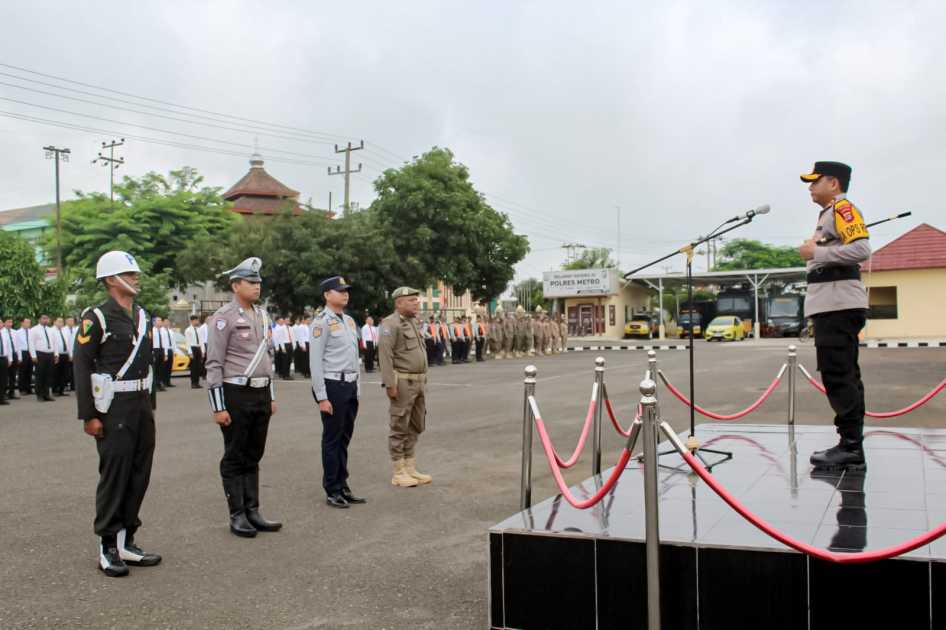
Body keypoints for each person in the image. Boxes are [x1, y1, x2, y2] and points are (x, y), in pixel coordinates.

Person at [73, 250, 161, 577]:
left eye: (136, 272)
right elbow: (82, 365)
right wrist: (89, 415)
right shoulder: (96, 317)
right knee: (115, 475)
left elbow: (147, 363)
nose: (136, 277)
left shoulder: (142, 316)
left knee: (139, 473)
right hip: (112, 408)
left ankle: (127, 540)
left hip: (139, 404)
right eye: (129, 272)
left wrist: (150, 406)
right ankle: (108, 545)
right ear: (111, 279)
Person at [798, 161, 871, 471]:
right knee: (843, 374)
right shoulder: (828, 214)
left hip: (838, 303)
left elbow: (861, 249)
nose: (810, 187)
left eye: (816, 181)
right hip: (832, 303)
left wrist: (817, 253)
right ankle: (850, 444)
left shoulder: (843, 210)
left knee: (839, 374)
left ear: (834, 183)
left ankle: (851, 448)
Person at [205, 257, 281, 538]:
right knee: (235, 455)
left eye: (259, 281)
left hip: (261, 391)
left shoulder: (262, 314)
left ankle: (253, 510)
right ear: (236, 285)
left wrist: (271, 395)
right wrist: (218, 406)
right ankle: (237, 514)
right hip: (236, 392)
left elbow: (268, 357)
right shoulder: (223, 317)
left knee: (254, 453)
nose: (257, 286)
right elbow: (214, 362)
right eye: (251, 282)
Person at [309, 276, 366, 509]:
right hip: (333, 386)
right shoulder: (321, 322)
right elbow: (315, 362)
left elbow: (354, 357)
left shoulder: (350, 321)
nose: (345, 294)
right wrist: (322, 396)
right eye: (339, 290)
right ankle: (332, 488)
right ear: (327, 295)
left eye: (346, 291)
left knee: (344, 438)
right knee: (332, 440)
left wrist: (358, 388)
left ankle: (343, 485)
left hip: (350, 385)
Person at [378, 287, 433, 488]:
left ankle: (410, 467)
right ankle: (398, 471)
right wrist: (390, 384)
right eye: (411, 300)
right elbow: (385, 356)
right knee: (399, 425)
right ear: (399, 303)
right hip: (402, 382)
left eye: (416, 300)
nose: (416, 303)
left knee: (416, 424)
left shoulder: (412, 322)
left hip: (418, 381)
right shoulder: (390, 324)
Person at [29, 314, 57, 402]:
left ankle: (47, 394)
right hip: (40, 354)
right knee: (40, 375)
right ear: (39, 319)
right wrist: (33, 355)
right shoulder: (34, 330)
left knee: (49, 375)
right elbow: (31, 343)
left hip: (50, 354)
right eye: (44, 318)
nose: (45, 320)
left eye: (47, 318)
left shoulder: (51, 330)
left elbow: (54, 342)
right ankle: (39, 394)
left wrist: (56, 354)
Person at [52, 317, 70, 396]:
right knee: (56, 373)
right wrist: (55, 355)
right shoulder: (51, 331)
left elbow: (68, 343)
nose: (60, 323)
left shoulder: (65, 331)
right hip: (57, 354)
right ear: (54, 322)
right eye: (59, 321)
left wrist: (70, 354)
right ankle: (55, 390)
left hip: (65, 354)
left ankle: (61, 390)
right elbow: (53, 344)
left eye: (62, 322)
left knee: (64, 373)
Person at [185, 315, 203, 389]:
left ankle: (197, 382)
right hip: (192, 348)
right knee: (193, 367)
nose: (197, 322)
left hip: (198, 348)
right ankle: (193, 383)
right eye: (196, 320)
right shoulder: (188, 330)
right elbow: (188, 342)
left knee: (198, 366)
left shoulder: (199, 329)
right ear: (192, 321)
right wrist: (190, 353)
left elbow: (201, 340)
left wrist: (202, 350)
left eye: (197, 320)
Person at [15, 318, 32, 395]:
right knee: (22, 371)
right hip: (22, 352)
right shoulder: (17, 332)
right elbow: (17, 344)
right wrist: (19, 356)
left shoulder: (31, 331)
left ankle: (28, 388)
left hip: (30, 352)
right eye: (27, 322)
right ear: (22, 323)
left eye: (29, 323)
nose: (28, 324)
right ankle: (22, 389)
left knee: (29, 370)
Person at [151, 317, 167, 392]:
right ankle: (155, 385)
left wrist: (166, 354)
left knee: (161, 368)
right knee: (155, 368)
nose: (160, 322)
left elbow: (165, 343)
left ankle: (160, 384)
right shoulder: (152, 330)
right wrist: (152, 353)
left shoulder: (163, 331)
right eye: (159, 320)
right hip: (155, 350)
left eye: (161, 320)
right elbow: (151, 343)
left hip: (162, 349)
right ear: (154, 322)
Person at [4, 318, 19, 399]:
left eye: (11, 322)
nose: (10, 324)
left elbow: (18, 345)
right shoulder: (2, 332)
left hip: (14, 354)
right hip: (6, 355)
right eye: (8, 322)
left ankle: (12, 392)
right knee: (4, 375)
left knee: (13, 374)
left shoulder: (14, 332)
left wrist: (19, 356)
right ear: (4, 323)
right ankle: (4, 392)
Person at [0, 317, 12, 405]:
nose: (1, 324)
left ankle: (2, 398)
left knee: (3, 379)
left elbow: (8, 347)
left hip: (4, 358)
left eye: (1, 323)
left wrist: (10, 359)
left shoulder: (4, 333)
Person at [160, 319, 175, 388]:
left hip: (170, 349)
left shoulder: (171, 331)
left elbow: (173, 342)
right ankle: (163, 381)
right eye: (166, 322)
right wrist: (165, 353)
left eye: (168, 322)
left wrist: (174, 351)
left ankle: (168, 381)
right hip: (164, 350)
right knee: (164, 367)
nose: (167, 323)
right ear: (163, 323)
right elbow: (163, 342)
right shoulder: (161, 331)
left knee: (169, 366)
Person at [64, 316, 77, 391]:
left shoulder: (76, 329)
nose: (71, 322)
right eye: (69, 321)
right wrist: (70, 354)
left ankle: (73, 385)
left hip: (75, 352)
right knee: (67, 370)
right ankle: (65, 385)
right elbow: (67, 343)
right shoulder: (63, 330)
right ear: (66, 322)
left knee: (74, 370)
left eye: (72, 321)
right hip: (67, 352)